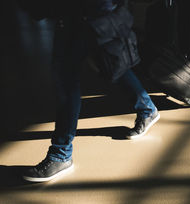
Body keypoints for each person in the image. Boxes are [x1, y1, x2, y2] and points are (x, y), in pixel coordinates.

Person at [21, 0, 160, 182]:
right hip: (87, 12)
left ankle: (60, 154)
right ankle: (146, 108)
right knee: (109, 64)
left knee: (69, 78)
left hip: (85, 13)